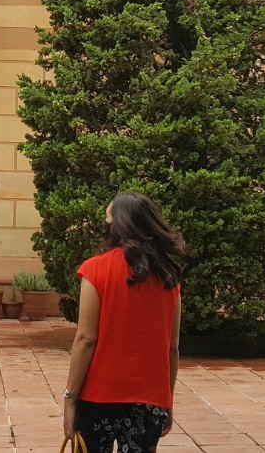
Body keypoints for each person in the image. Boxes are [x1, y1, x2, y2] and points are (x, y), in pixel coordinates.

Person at [61, 191, 186, 453]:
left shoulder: (94, 269)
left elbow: (86, 339)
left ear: (118, 225)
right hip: (149, 398)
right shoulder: (168, 277)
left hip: (97, 395)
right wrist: (168, 400)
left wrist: (70, 397)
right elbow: (172, 348)